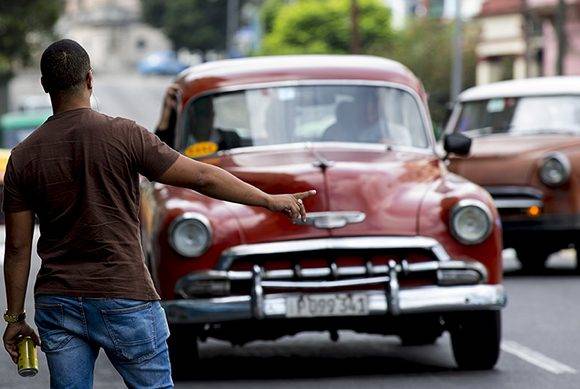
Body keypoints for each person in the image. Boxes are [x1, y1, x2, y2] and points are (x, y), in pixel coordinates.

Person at [2, 39, 315, 389]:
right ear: (90, 79)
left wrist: (15, 318)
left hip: (58, 304)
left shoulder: (23, 157)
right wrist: (269, 200)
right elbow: (201, 176)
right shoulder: (124, 135)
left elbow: (17, 248)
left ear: (45, 85)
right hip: (124, 295)